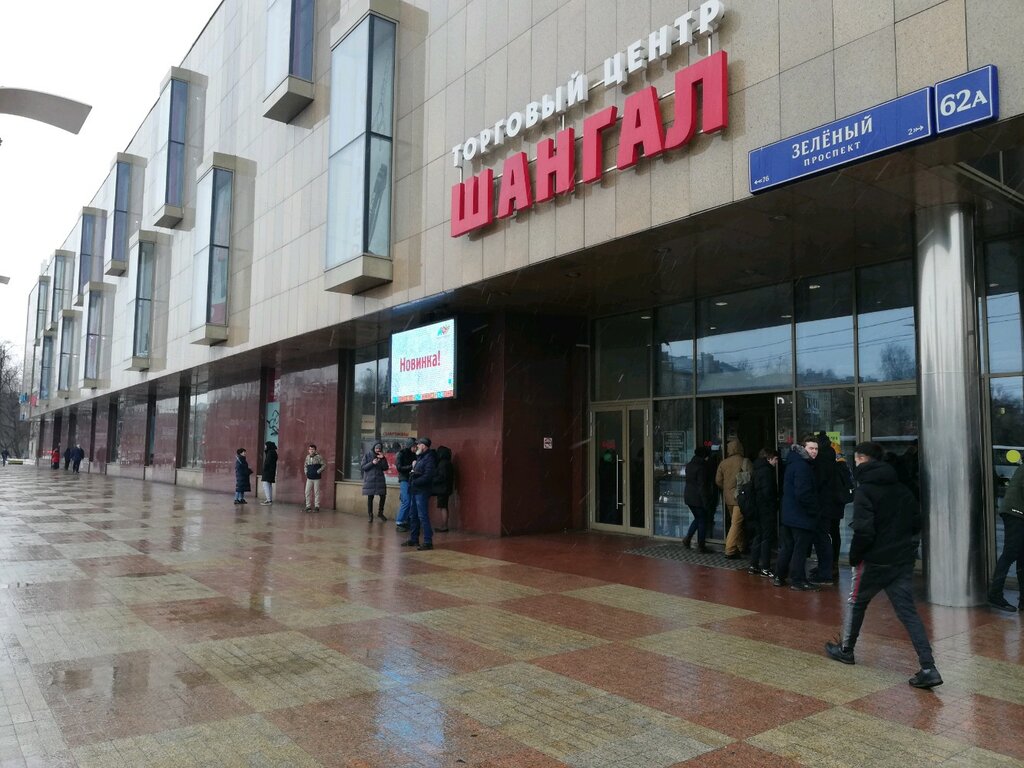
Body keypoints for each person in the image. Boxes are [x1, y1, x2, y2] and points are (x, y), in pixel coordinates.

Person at [825, 441, 942, 690]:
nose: (855, 462)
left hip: (874, 561)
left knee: (856, 603)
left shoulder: (865, 491)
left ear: (863, 459)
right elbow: (916, 523)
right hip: (900, 561)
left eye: (857, 458)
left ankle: (846, 650)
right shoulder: (902, 488)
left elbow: (864, 531)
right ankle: (929, 667)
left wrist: (855, 557)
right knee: (908, 613)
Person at [774, 435, 824, 591]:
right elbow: (803, 493)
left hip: (789, 514)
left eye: (816, 449)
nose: (814, 451)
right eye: (811, 448)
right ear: (803, 448)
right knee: (800, 549)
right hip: (801, 516)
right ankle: (798, 580)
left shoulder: (792, 463)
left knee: (788, 547)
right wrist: (814, 510)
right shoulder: (803, 466)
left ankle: (779, 576)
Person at [988, 452, 1024, 612]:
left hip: (1017, 512)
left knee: (1022, 556)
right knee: (1011, 553)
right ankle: (995, 594)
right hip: (1015, 513)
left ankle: (1023, 600)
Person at [810, 431, 844, 584]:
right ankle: (832, 565)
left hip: (825, 504)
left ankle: (825, 568)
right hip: (836, 503)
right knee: (834, 534)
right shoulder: (833, 456)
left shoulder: (821, 460)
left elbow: (819, 483)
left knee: (822, 537)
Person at [715, 438, 752, 558]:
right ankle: (730, 549)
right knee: (736, 524)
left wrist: (726, 489)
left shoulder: (723, 463)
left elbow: (718, 480)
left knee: (736, 522)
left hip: (728, 498)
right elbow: (751, 478)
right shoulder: (745, 461)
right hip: (740, 497)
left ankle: (741, 546)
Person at [747, 448, 780, 577]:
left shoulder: (756, 469)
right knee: (766, 538)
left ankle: (753, 564)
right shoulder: (767, 471)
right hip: (766, 509)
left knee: (758, 536)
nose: (776, 462)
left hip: (757, 508)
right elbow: (768, 493)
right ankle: (765, 567)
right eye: (775, 459)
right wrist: (774, 504)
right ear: (769, 458)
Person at [403, 437, 437, 551]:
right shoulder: (420, 457)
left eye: (418, 444)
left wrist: (415, 480)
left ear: (424, 446)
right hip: (415, 490)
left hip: (422, 491)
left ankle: (428, 541)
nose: (417, 446)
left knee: (422, 516)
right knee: (413, 515)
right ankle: (414, 539)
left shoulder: (429, 458)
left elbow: (428, 476)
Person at [682, 447, 713, 552]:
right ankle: (701, 545)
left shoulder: (689, 465)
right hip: (698, 498)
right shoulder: (702, 467)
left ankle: (688, 539)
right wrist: (706, 501)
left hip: (689, 496)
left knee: (698, 518)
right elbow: (702, 486)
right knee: (702, 520)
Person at [361, 441, 389, 522]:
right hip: (370, 479)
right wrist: (372, 463)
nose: (378, 450)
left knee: (383, 496)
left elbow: (385, 468)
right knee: (370, 497)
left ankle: (380, 513)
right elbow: (363, 467)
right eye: (376, 448)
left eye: (379, 448)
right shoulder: (367, 455)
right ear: (373, 448)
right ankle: (370, 515)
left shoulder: (382, 456)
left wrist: (383, 458)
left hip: (380, 479)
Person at [395, 438, 416, 532]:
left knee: (410, 501)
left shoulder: (414, 454)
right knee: (406, 501)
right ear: (409, 446)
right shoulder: (401, 454)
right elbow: (399, 468)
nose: (415, 448)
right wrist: (411, 467)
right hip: (404, 479)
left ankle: (406, 521)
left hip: (411, 479)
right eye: (413, 446)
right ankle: (399, 521)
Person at [432, 445, 454, 532]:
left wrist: (432, 480)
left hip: (442, 489)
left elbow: (441, 477)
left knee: (443, 507)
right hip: (446, 488)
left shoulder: (442, 464)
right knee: (444, 506)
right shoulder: (448, 463)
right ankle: (444, 525)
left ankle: (444, 526)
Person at [303, 444, 326, 512]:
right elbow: (305, 465)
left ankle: (317, 506)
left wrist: (318, 471)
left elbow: (324, 465)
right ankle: (308, 506)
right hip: (309, 478)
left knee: (316, 492)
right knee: (307, 492)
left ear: (315, 450)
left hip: (316, 478)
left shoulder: (319, 457)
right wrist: (306, 472)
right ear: (308, 450)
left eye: (312, 449)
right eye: (310, 449)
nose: (311, 450)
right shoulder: (307, 457)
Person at [260, 441, 278, 506]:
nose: (265, 447)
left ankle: (268, 500)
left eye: (266, 445)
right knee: (269, 485)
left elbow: (267, 463)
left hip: (268, 472)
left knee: (265, 485)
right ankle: (269, 499)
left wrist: (264, 469)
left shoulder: (270, 453)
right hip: (271, 472)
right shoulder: (273, 452)